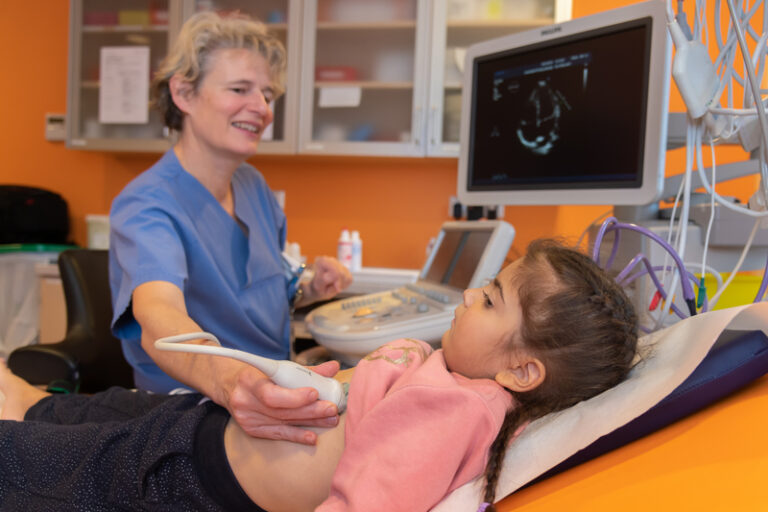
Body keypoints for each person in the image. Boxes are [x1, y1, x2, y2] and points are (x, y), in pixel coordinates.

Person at [0, 240, 638, 511]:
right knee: (46, 410)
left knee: (28, 455)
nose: (469, 294)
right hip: (202, 425)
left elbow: (371, 498)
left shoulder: (461, 408)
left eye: (492, 299)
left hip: (185, 470)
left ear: (524, 370)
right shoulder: (456, 376)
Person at [108, 11, 351, 445]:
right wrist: (234, 385)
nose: (261, 108)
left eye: (268, 94)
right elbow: (159, 317)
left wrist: (309, 288)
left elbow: (257, 287)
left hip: (273, 386)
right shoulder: (147, 204)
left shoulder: (253, 186)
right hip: (192, 406)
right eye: (240, 89)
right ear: (184, 92)